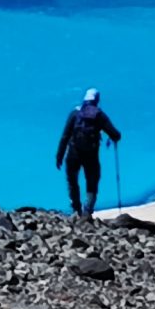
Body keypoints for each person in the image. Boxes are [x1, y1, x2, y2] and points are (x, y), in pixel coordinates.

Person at [53, 88, 121, 217]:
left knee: (72, 180)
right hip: (91, 155)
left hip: (73, 152)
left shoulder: (75, 113)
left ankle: (75, 209)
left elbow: (65, 136)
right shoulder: (99, 115)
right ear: (97, 100)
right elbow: (115, 134)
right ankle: (87, 210)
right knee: (92, 180)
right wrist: (113, 138)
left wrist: (59, 156)